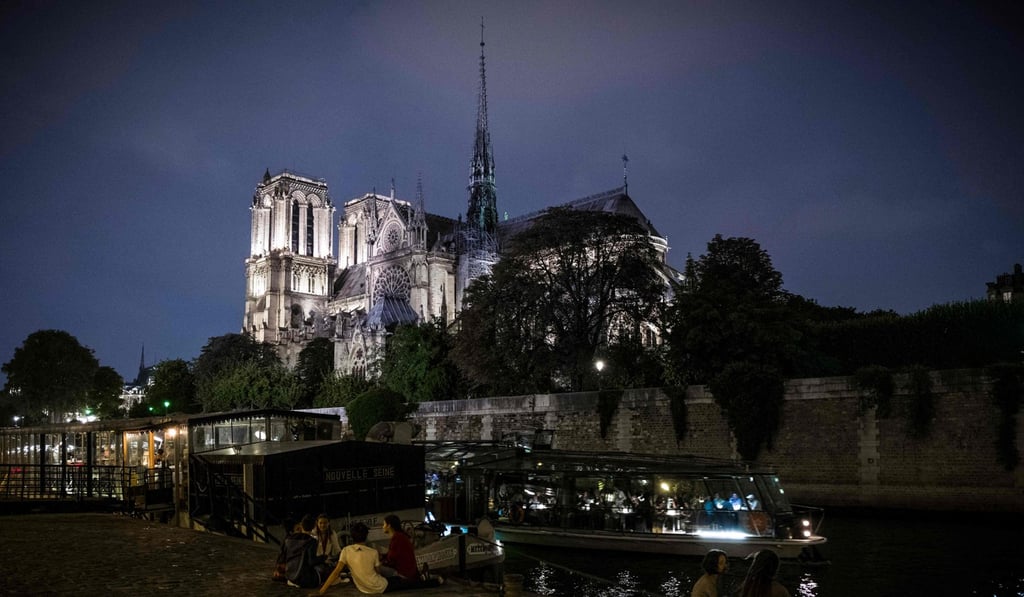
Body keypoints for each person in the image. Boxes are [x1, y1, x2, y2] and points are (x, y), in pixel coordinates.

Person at [319, 522, 443, 594]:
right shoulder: (373, 552)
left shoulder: (346, 551)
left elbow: (336, 572)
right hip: (380, 586)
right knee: (408, 583)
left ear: (352, 537)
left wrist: (321, 591)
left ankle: (421, 577)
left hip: (363, 588)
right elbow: (378, 572)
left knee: (398, 579)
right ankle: (436, 581)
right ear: (366, 537)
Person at [283, 514, 330, 588]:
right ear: (314, 526)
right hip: (305, 579)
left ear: (301, 525)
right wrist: (324, 557)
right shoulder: (311, 541)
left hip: (290, 576)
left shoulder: (289, 539)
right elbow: (311, 561)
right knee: (325, 569)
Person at [379, 514, 418, 579]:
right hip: (407, 571)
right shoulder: (399, 536)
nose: (383, 527)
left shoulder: (397, 538)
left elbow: (391, 559)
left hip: (404, 573)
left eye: (384, 524)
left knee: (376, 568)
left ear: (389, 526)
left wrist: (380, 562)